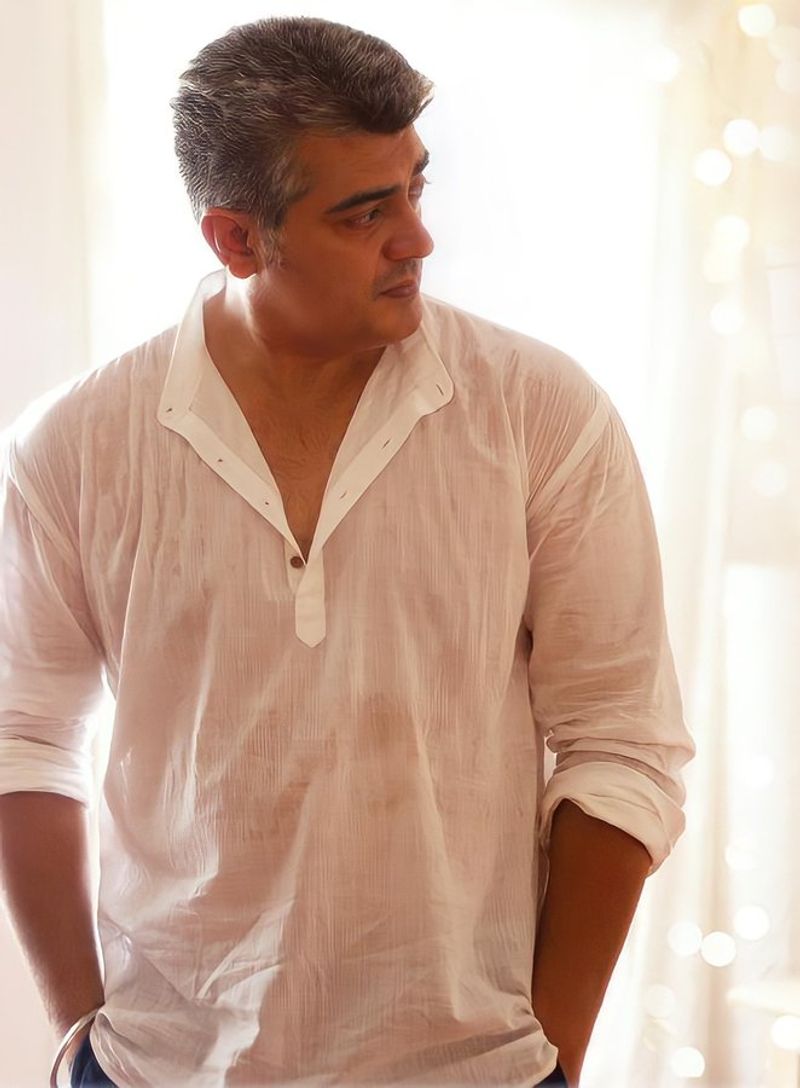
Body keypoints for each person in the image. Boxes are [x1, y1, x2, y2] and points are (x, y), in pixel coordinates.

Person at [0, 15, 696, 1088]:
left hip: (481, 1070)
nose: (417, 238)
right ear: (236, 241)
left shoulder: (539, 413)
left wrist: (551, 1057)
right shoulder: (75, 445)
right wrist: (78, 1038)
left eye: (416, 188)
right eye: (366, 213)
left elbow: (622, 743)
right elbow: (24, 739)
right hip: (155, 1068)